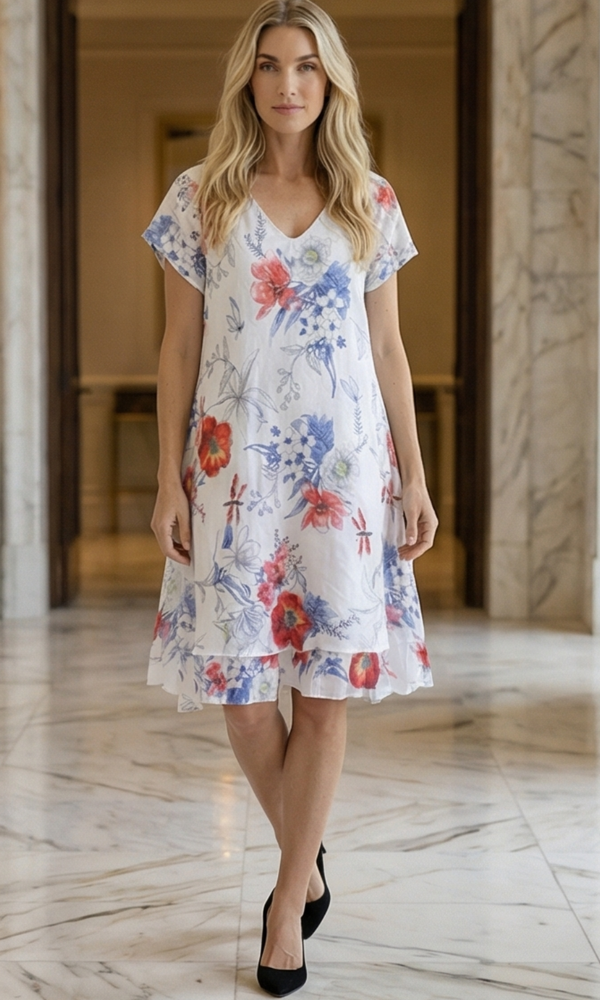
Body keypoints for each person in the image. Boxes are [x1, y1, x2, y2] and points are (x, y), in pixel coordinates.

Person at [142, 1, 437, 995]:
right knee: (240, 698)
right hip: (234, 479)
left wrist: (416, 473)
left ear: (331, 82)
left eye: (307, 66)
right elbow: (178, 346)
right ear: (248, 80)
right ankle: (306, 859)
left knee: (321, 693)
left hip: (346, 480)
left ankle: (282, 911)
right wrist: (166, 478)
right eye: (269, 66)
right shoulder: (201, 197)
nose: (288, 84)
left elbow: (390, 350)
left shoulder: (371, 199)